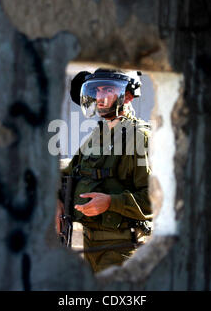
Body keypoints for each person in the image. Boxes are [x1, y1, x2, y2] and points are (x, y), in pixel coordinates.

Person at [57, 68, 152, 273]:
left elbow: (155, 200)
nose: (99, 97)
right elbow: (72, 172)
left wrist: (111, 202)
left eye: (107, 89)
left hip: (122, 247)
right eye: (97, 90)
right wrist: (56, 199)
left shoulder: (139, 138)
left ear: (128, 95)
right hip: (91, 244)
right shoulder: (98, 135)